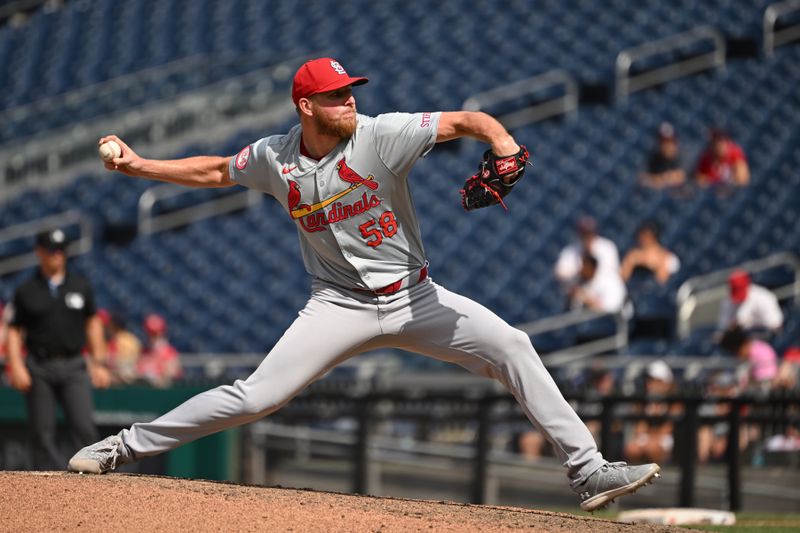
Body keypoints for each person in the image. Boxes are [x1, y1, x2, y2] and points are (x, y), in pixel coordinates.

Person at [68, 57, 659, 511]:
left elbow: (465, 120)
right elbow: (219, 170)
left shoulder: (382, 135)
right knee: (255, 397)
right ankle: (123, 446)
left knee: (512, 345)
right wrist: (139, 166)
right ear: (306, 105)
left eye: (351, 90)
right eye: (336, 94)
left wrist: (500, 142)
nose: (349, 99)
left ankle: (588, 470)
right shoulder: (276, 158)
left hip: (416, 296)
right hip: (337, 304)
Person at [5, 229, 111, 469]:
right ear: (39, 252)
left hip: (74, 364)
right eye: (52, 250)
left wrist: (99, 363)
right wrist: (16, 365)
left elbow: (93, 324)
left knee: (84, 427)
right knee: (41, 432)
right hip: (40, 366)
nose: (57, 255)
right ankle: (49, 492)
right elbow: (13, 330)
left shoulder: (80, 285)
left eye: (61, 250)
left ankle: (91, 484)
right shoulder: (26, 290)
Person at [624, 360, 681, 465]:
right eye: (649, 380)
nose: (650, 384)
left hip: (665, 439)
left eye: (655, 380)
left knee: (653, 448)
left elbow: (667, 430)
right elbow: (640, 429)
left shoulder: (674, 403)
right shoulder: (643, 401)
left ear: (665, 383)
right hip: (648, 438)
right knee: (632, 448)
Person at [555, 216, 620, 293]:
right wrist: (579, 272)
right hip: (582, 299)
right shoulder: (570, 251)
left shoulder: (607, 248)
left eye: (589, 233)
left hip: (607, 298)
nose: (587, 237)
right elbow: (559, 273)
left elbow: (614, 274)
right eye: (584, 234)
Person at [716, 270, 784, 336]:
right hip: (741, 340)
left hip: (764, 337)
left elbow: (776, 325)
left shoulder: (763, 297)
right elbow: (722, 327)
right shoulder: (728, 300)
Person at [620, 221, 680, 285]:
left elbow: (663, 284)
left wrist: (654, 264)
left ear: (652, 237)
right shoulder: (635, 255)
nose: (642, 239)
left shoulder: (670, 259)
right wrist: (630, 261)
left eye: (645, 236)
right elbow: (622, 278)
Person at [137, 313, 181, 388]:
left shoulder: (169, 352)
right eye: (150, 333)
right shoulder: (144, 351)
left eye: (155, 333)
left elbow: (171, 375)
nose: (152, 336)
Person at [99, 309, 142, 385]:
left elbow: (124, 365)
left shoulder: (124, 340)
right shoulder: (131, 339)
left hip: (124, 378)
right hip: (122, 377)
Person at [639, 122, 686, 189]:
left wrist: (667, 178)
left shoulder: (681, 156)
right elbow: (642, 177)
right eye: (664, 142)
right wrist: (660, 179)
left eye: (669, 142)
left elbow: (683, 176)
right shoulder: (654, 158)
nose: (667, 145)